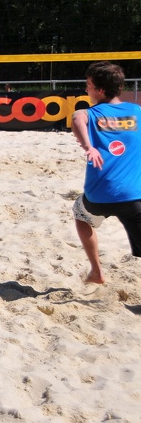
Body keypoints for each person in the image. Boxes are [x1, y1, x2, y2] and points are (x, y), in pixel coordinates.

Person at [71, 61, 141, 284]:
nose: (86, 90)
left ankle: (96, 271)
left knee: (80, 214)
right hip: (134, 199)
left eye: (88, 85)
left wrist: (88, 146)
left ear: (100, 90)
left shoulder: (90, 114)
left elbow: (76, 118)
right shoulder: (137, 112)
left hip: (98, 198)